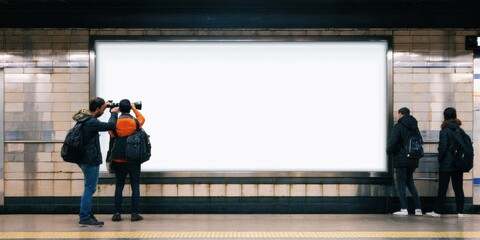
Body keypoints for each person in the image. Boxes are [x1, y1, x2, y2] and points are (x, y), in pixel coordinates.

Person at [74, 97, 119, 227]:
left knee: (88, 187)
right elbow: (110, 126)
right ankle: (85, 218)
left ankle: (86, 214)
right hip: (90, 159)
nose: (104, 111)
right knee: (89, 189)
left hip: (84, 158)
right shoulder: (91, 122)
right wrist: (114, 113)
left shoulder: (84, 118)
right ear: (97, 108)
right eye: (102, 109)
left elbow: (98, 116)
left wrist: (105, 105)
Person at [109, 99, 146, 222]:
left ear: (120, 109)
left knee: (119, 186)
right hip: (133, 159)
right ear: (129, 109)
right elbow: (142, 119)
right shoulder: (134, 122)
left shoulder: (115, 123)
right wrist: (135, 108)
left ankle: (117, 213)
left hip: (119, 159)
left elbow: (112, 134)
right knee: (135, 186)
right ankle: (134, 214)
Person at [426, 107, 465, 218]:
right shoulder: (460, 130)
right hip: (458, 163)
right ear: (455, 115)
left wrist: (440, 159)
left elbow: (443, 148)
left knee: (442, 188)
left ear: (445, 116)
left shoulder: (444, 130)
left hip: (446, 164)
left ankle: (438, 211)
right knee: (458, 188)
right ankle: (460, 211)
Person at [387, 107, 423, 216]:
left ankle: (404, 209)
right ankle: (418, 209)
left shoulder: (398, 126)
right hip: (413, 159)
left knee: (401, 184)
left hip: (401, 159)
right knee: (410, 182)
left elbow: (393, 142)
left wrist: (389, 151)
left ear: (400, 114)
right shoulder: (415, 127)